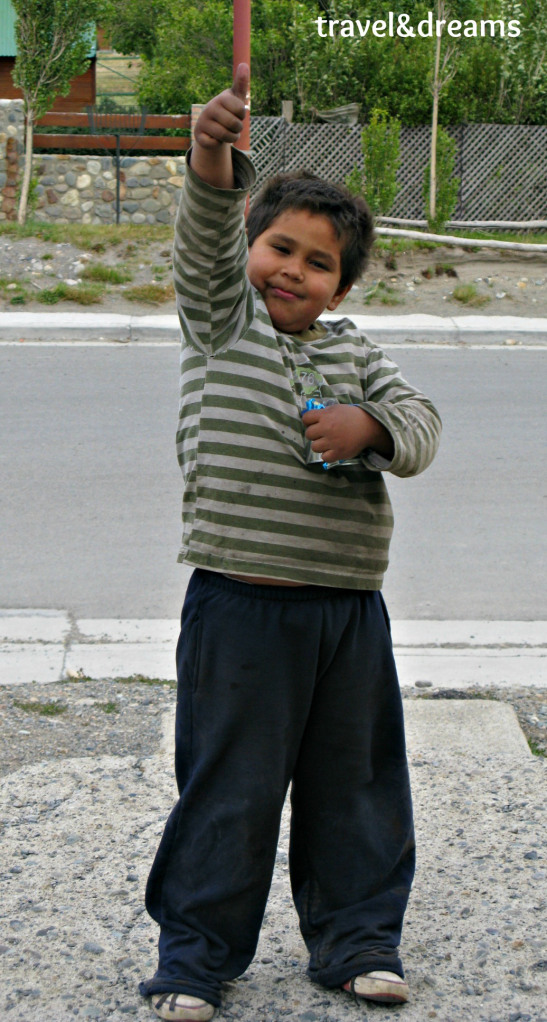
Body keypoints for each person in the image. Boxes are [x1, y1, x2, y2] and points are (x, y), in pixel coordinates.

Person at [139, 64, 441, 1022]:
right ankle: (193, 959)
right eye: (278, 247)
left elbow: (421, 421)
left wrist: (372, 429)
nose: (292, 271)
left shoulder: (356, 354)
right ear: (247, 247)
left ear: (341, 284)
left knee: (355, 788)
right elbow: (200, 247)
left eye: (318, 263)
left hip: (346, 611)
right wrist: (208, 150)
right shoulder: (222, 323)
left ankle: (357, 942)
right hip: (237, 604)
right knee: (227, 790)